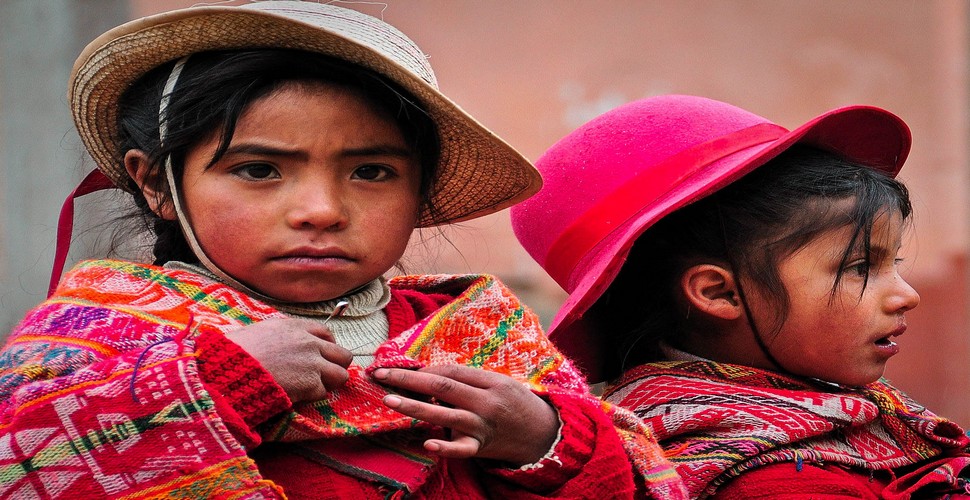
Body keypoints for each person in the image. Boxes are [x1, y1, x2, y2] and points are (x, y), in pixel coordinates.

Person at [0, 3, 686, 498]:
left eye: (372, 172)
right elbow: (24, 463)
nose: (323, 211)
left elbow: (642, 480)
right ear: (156, 183)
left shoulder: (479, 332)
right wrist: (221, 381)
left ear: (420, 193)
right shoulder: (93, 339)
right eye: (260, 170)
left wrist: (545, 440)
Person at [511, 94, 970, 498]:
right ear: (719, 292)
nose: (906, 296)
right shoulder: (776, 481)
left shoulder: (841, 420)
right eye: (859, 267)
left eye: (897, 264)